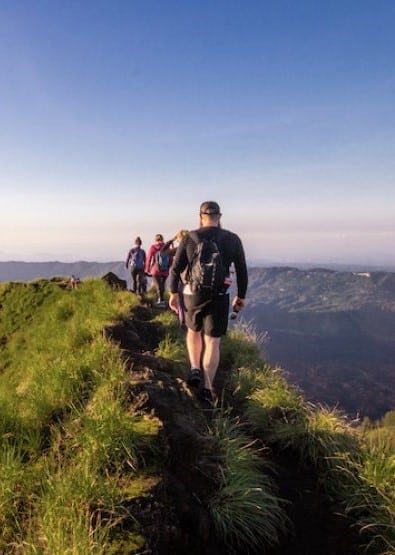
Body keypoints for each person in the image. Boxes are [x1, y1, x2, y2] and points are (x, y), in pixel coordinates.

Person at [168, 201, 248, 402]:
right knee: (213, 341)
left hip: (192, 294)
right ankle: (208, 387)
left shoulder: (190, 238)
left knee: (193, 332)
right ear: (219, 217)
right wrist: (241, 296)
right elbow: (241, 270)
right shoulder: (232, 239)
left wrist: (172, 293)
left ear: (200, 217)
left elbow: (176, 269)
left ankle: (195, 368)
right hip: (219, 296)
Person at [161, 230, 189, 326]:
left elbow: (163, 252)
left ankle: (183, 323)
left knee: (181, 303)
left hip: (182, 280)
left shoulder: (178, 250)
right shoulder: (194, 248)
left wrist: (171, 240)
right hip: (193, 280)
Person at [145, 234, 172, 305]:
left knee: (158, 285)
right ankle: (162, 300)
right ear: (162, 239)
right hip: (165, 270)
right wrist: (168, 267)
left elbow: (149, 259)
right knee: (162, 285)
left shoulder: (153, 247)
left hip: (155, 270)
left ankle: (161, 300)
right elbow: (171, 258)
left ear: (155, 240)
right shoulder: (167, 247)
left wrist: (147, 269)